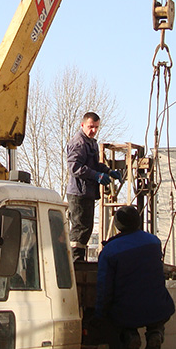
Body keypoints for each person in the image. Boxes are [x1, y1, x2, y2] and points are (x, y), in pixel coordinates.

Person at [92, 205, 175, 349]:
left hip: (127, 309)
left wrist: (99, 315)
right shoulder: (154, 242)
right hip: (158, 306)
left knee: (123, 321)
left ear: (118, 225)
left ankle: (130, 337)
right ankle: (155, 334)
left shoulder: (110, 251)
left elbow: (104, 288)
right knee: (156, 320)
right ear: (138, 221)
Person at [65, 112, 119, 261]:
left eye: (96, 127)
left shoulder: (91, 143)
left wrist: (107, 171)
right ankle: (75, 260)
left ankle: (78, 258)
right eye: (90, 127)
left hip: (87, 192)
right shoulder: (78, 143)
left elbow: (93, 165)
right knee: (80, 228)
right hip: (78, 193)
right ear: (82, 125)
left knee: (86, 228)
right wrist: (96, 176)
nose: (93, 130)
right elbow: (74, 167)